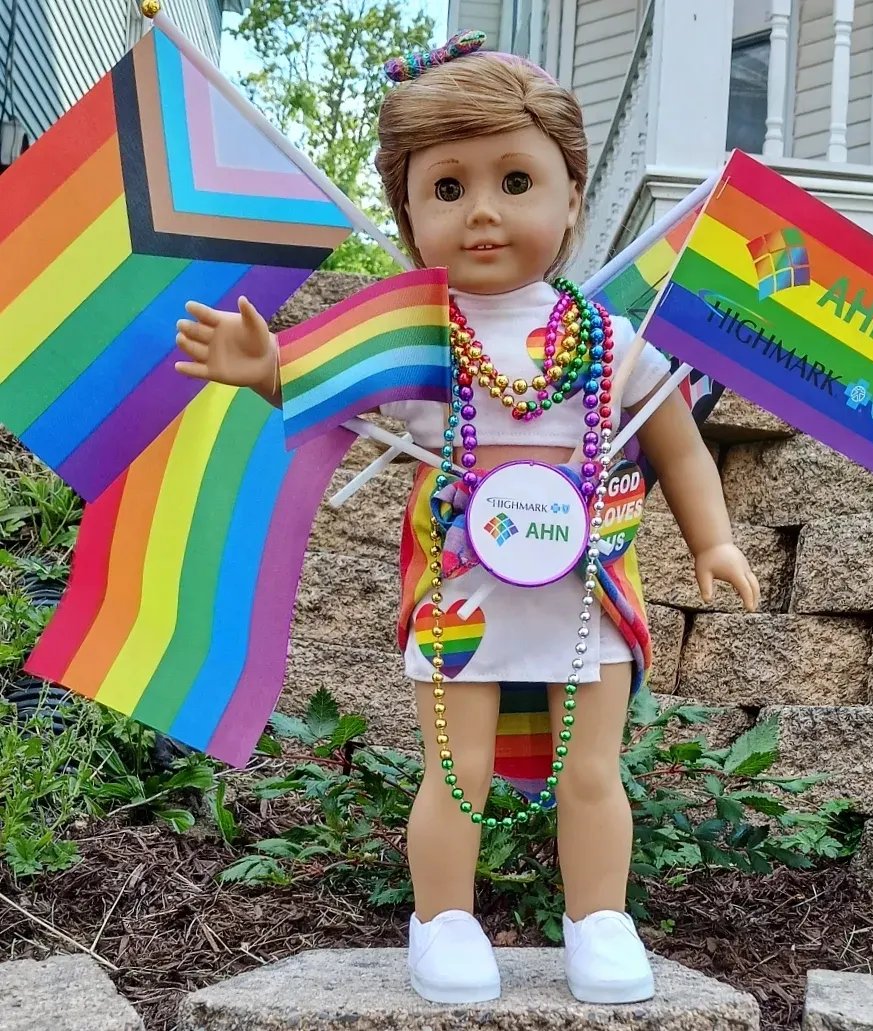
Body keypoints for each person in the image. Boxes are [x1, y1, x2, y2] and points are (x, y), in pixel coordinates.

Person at [174, 30, 759, 1008]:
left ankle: (598, 916)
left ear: (572, 196)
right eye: (447, 188)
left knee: (592, 768)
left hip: (587, 592)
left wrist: (714, 537)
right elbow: (324, 388)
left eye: (514, 180)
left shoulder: (610, 339)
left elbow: (675, 442)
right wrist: (264, 369)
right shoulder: (407, 336)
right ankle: (442, 917)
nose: (482, 211)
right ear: (408, 214)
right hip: (460, 588)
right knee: (457, 767)